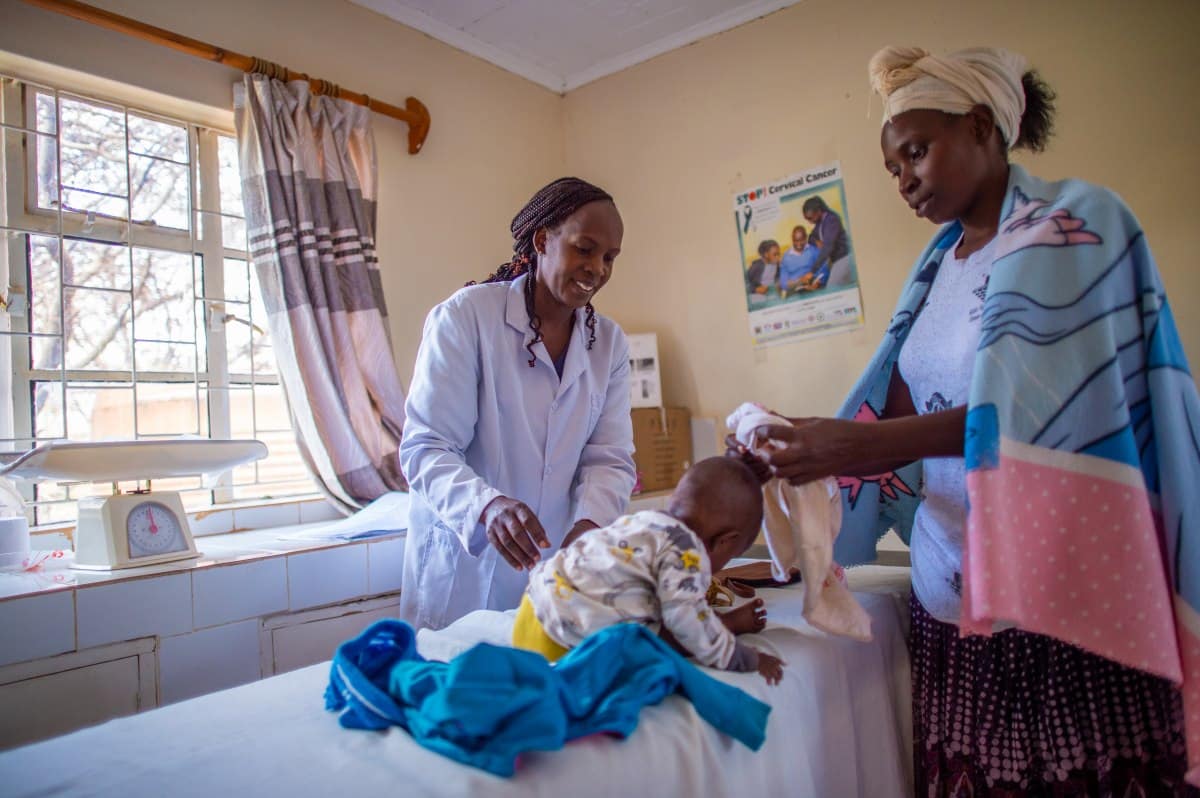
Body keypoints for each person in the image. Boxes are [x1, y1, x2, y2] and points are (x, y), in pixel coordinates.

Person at [730, 46, 1200, 795]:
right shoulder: (937, 268)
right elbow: (910, 411)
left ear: (982, 125)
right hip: (951, 607)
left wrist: (852, 441)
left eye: (916, 151)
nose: (904, 179)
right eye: (893, 167)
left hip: (1061, 610)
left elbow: (1052, 413)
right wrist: (800, 435)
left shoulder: (1075, 227)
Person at [399, 177, 637, 631]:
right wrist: (486, 507)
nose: (598, 269)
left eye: (610, 258)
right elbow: (425, 447)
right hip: (464, 577)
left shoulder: (608, 343)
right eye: (584, 249)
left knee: (539, 690)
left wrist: (589, 526)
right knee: (458, 692)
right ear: (542, 240)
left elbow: (610, 457)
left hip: (552, 573)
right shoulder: (467, 318)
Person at [513, 457, 785, 684]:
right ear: (724, 541)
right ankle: (729, 626)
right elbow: (687, 626)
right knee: (657, 639)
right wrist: (747, 657)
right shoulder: (686, 552)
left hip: (531, 609)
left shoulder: (641, 521)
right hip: (565, 640)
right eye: (730, 556)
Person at [801, 196, 853, 288]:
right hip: (837, 261)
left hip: (844, 258)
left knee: (831, 288)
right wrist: (817, 242)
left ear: (819, 211)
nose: (809, 222)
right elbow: (811, 237)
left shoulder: (831, 220)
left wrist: (812, 271)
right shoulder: (820, 224)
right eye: (807, 219)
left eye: (810, 218)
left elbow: (828, 247)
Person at [778, 225, 824, 296]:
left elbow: (824, 270)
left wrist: (817, 284)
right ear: (792, 239)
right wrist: (798, 281)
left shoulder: (814, 251)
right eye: (796, 241)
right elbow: (783, 283)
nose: (798, 244)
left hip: (814, 287)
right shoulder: (786, 257)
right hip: (795, 290)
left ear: (806, 238)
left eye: (801, 240)